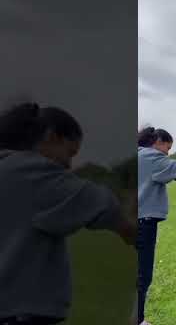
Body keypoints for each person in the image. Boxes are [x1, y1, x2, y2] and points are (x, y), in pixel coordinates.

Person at [0, 103, 137, 325]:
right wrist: (131, 230)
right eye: (70, 152)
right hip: (19, 314)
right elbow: (99, 203)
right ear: (52, 137)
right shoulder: (31, 172)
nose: (69, 164)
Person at [137, 127, 176, 325]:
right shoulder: (151, 157)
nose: (168, 153)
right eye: (168, 147)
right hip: (143, 225)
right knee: (142, 276)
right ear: (157, 142)